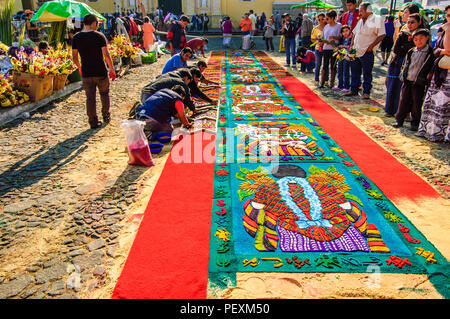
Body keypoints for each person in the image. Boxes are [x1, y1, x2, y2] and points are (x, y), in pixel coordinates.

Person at [72, 14, 116, 129]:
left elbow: (75, 57)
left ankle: (93, 121)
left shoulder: (76, 37)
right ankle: (106, 115)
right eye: (96, 23)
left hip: (87, 72)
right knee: (104, 94)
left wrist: (80, 67)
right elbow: (106, 54)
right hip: (100, 71)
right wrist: (112, 69)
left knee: (90, 98)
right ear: (93, 23)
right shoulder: (99, 36)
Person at [416, 6, 450, 142]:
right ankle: (433, 132)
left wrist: (448, 31)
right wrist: (442, 50)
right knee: (436, 103)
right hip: (440, 72)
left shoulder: (447, 30)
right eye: (447, 15)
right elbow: (437, 50)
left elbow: (448, 49)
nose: (449, 18)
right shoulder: (443, 30)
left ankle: (444, 134)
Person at [392, 29, 435, 131]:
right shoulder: (411, 51)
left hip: (419, 82)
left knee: (417, 103)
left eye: (421, 39)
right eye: (416, 39)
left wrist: (426, 80)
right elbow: (406, 64)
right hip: (408, 79)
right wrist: (403, 74)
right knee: (403, 101)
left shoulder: (430, 53)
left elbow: (429, 68)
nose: (418, 41)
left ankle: (415, 122)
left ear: (427, 38)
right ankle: (399, 120)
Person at [384, 13, 423, 117]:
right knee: (392, 86)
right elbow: (396, 48)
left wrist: (406, 48)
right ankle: (390, 109)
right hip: (398, 62)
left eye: (412, 22)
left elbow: (419, 49)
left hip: (413, 64)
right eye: (408, 22)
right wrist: (407, 48)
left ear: (419, 22)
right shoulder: (403, 33)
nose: (409, 25)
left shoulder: (422, 35)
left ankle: (402, 112)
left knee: (405, 89)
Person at [347, 2, 385, 99]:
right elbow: (354, 34)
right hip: (356, 50)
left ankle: (366, 92)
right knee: (355, 71)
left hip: (367, 51)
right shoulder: (360, 21)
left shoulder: (377, 19)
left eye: (361, 11)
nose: (359, 13)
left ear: (368, 11)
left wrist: (371, 46)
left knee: (367, 73)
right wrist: (351, 46)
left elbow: (381, 35)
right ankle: (353, 89)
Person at [320, 10, 341, 88]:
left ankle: (332, 82)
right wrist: (322, 41)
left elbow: (341, 37)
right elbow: (323, 37)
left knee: (333, 65)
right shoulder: (326, 26)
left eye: (327, 19)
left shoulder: (339, 26)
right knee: (325, 65)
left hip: (334, 49)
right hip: (326, 48)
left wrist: (334, 38)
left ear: (332, 18)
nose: (326, 20)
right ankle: (322, 82)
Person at [336, 25, 352, 91]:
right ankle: (340, 85)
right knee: (340, 70)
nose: (345, 33)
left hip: (347, 56)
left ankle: (346, 86)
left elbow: (351, 47)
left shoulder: (351, 39)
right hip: (341, 56)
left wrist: (344, 46)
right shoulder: (342, 39)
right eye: (343, 32)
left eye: (346, 31)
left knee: (346, 71)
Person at [311, 13, 326, 84]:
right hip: (318, 48)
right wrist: (318, 42)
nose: (320, 21)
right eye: (319, 19)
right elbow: (312, 39)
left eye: (322, 19)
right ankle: (316, 79)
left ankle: (326, 80)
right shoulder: (315, 28)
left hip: (326, 48)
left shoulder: (327, 27)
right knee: (318, 64)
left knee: (326, 65)